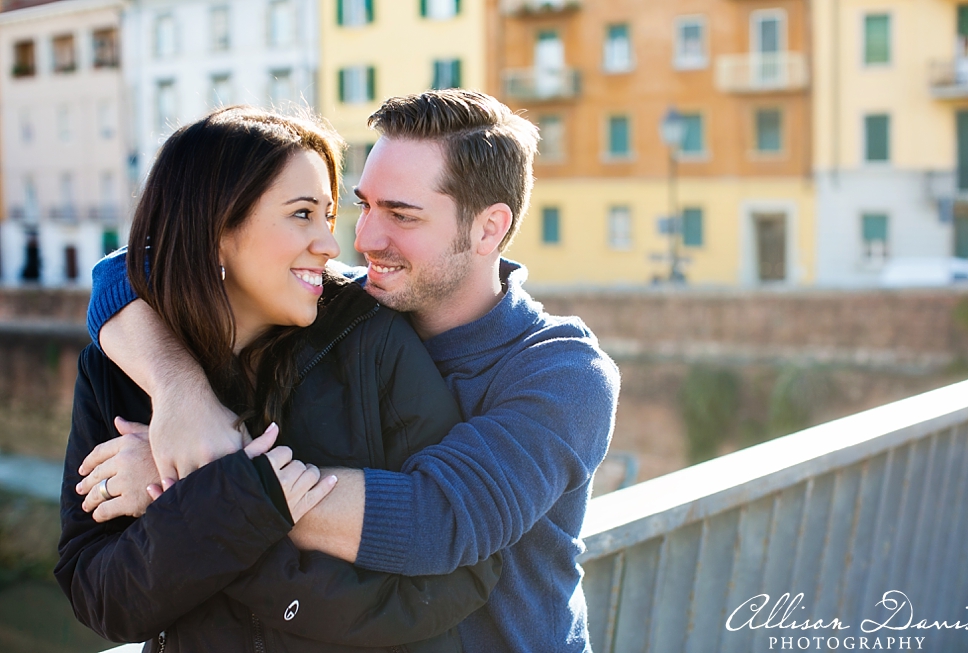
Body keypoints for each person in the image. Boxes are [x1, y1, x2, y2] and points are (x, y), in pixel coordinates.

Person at [82, 90, 621, 652]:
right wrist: (180, 394)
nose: (363, 240)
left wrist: (189, 477)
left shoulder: (563, 372)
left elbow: (435, 520)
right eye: (364, 206)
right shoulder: (343, 308)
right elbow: (126, 271)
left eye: (401, 215)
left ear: (489, 229)